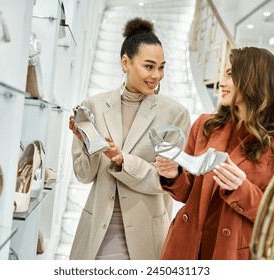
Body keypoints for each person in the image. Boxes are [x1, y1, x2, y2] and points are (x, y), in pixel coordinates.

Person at [154, 47, 274, 260]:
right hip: (185, 246)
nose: (221, 83)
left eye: (230, 75)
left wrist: (242, 188)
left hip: (233, 252)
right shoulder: (205, 125)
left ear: (253, 80)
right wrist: (173, 175)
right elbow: (186, 193)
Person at [68, 17, 191, 260]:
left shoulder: (175, 114)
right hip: (97, 230)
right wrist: (87, 144)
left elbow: (164, 182)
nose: (157, 75)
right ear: (125, 62)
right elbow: (84, 176)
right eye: (149, 66)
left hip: (146, 233)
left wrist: (122, 160)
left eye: (161, 67)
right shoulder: (94, 105)